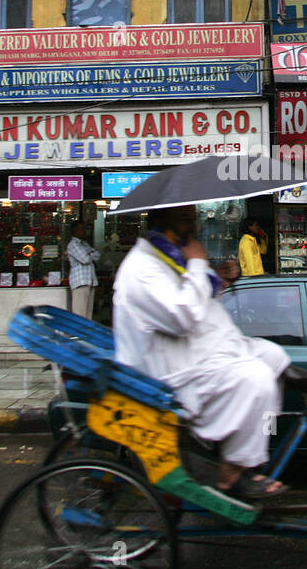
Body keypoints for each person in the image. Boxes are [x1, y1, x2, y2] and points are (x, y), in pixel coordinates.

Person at [113, 205, 290, 499]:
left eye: (192, 218)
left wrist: (217, 278)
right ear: (161, 224)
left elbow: (191, 294)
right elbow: (183, 315)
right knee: (255, 378)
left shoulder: (168, 256)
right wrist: (197, 264)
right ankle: (232, 472)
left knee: (274, 358)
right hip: (172, 372)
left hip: (199, 352)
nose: (193, 227)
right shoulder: (143, 268)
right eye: (185, 220)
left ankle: (244, 443)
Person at [65, 221, 101, 319]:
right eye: (82, 229)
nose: (84, 231)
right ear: (75, 230)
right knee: (80, 313)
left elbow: (97, 254)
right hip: (80, 282)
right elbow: (85, 259)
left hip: (90, 281)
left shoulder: (84, 244)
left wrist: (89, 254)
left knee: (88, 314)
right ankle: (79, 334)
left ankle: (85, 333)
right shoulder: (73, 244)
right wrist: (89, 254)